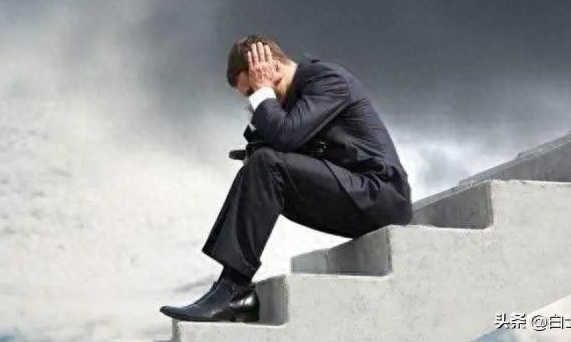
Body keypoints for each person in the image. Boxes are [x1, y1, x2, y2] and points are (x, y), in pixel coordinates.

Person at [159, 35, 413, 322]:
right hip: (352, 197)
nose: (255, 98)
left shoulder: (327, 80)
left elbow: (286, 136)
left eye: (253, 89)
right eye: (250, 95)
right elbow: (281, 145)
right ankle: (226, 286)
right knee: (260, 163)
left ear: (274, 68)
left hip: (381, 195)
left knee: (266, 164)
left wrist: (263, 94)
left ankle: (233, 288)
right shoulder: (292, 101)